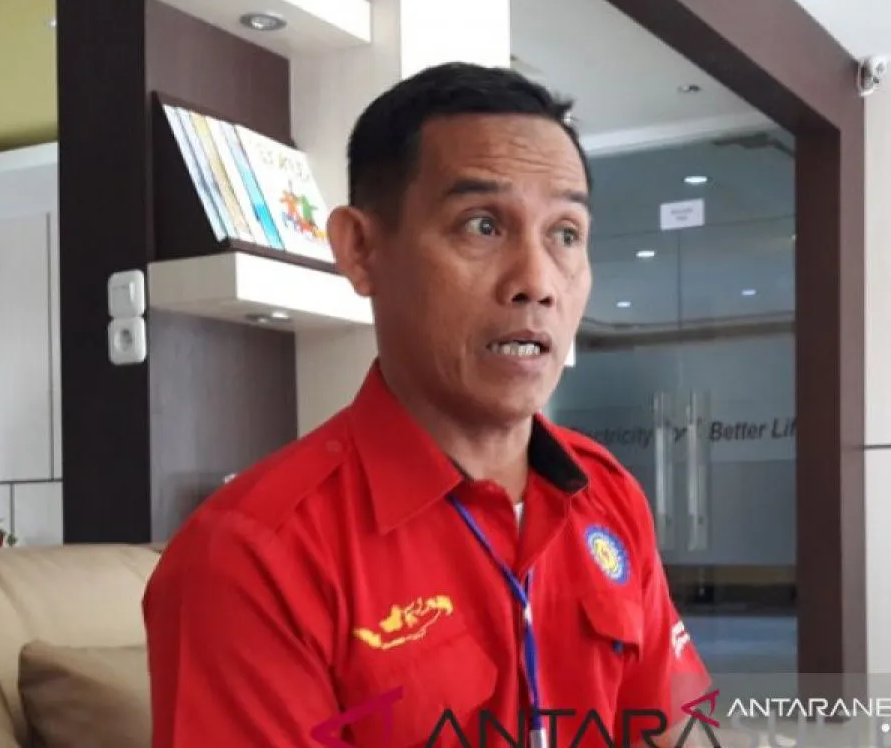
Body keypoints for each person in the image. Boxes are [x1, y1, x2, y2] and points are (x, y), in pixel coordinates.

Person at [143, 62, 715, 747]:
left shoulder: (608, 495)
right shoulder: (252, 557)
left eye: (566, 234)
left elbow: (677, 728)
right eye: (482, 225)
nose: (537, 282)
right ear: (362, 251)